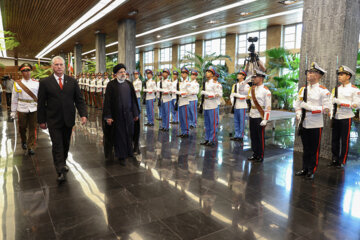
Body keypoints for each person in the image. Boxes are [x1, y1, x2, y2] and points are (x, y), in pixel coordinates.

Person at [37, 56, 87, 182]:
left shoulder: (72, 81)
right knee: (57, 144)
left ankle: (63, 162)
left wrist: (83, 114)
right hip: (53, 120)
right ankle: (59, 169)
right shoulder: (45, 82)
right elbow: (41, 103)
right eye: (56, 65)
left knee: (65, 144)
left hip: (68, 119)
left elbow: (79, 100)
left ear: (64, 66)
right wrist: (41, 120)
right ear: (52, 66)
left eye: (61, 65)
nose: (59, 67)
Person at [294, 62, 331, 179]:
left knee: (314, 149)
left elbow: (326, 109)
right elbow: (297, 103)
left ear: (319, 75)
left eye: (312, 72)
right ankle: (305, 168)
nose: (309, 74)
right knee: (306, 148)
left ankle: (311, 170)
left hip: (315, 123)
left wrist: (309, 108)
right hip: (304, 122)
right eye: (308, 72)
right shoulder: (303, 89)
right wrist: (298, 112)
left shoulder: (323, 91)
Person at [103, 63, 140, 166]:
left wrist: (136, 113)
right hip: (117, 116)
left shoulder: (129, 84)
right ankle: (121, 156)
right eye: (120, 72)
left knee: (129, 133)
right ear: (116, 74)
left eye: (124, 71)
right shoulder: (111, 85)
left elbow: (133, 100)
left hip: (129, 115)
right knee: (120, 136)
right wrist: (108, 116)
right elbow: (108, 102)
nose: (123, 74)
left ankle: (129, 152)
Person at [329, 65, 360, 168]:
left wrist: (341, 102)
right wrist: (330, 113)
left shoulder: (354, 90)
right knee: (334, 139)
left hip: (346, 117)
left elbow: (356, 104)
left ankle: (342, 161)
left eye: (342, 74)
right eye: (339, 74)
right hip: (336, 117)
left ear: (348, 76)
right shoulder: (336, 89)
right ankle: (334, 159)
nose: (339, 76)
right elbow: (331, 102)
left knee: (344, 140)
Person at [10, 63, 39, 155]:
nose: (26, 73)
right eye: (24, 71)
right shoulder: (17, 83)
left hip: (33, 108)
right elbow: (14, 98)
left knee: (32, 127)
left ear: (31, 71)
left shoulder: (36, 83)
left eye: (28, 70)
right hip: (21, 108)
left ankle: (30, 146)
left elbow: (40, 97)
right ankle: (23, 140)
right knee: (22, 127)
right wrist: (13, 111)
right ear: (21, 72)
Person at [247, 70, 271, 163]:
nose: (253, 79)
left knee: (260, 137)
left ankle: (260, 155)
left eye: (255, 77)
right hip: (252, 114)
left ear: (261, 78)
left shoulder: (266, 91)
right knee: (253, 136)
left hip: (260, 116)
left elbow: (268, 107)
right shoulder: (252, 88)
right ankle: (255, 153)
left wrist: (265, 119)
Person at [200, 66, 218, 146]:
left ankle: (212, 139)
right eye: (206, 72)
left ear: (212, 74)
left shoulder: (215, 83)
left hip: (212, 105)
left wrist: (207, 94)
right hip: (206, 105)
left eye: (208, 72)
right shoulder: (206, 83)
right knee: (206, 123)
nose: (206, 73)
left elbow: (218, 95)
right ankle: (207, 139)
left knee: (212, 123)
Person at [230, 70, 250, 142]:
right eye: (238, 73)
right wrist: (232, 101)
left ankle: (241, 136)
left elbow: (247, 96)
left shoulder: (246, 85)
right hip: (236, 105)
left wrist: (238, 96)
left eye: (240, 74)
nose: (238, 75)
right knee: (236, 121)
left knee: (241, 121)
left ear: (243, 76)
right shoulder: (235, 85)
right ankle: (236, 135)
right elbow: (232, 94)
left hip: (242, 105)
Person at [176, 67, 191, 138]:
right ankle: (182, 131)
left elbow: (188, 93)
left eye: (184, 73)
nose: (182, 74)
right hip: (180, 102)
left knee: (185, 118)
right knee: (181, 118)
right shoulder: (181, 83)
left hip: (185, 102)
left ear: (187, 74)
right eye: (182, 73)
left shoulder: (188, 83)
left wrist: (180, 93)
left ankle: (186, 132)